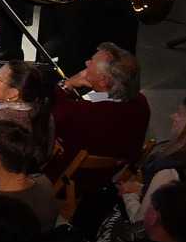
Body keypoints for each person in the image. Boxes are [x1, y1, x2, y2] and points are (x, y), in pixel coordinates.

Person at [52, 41, 151, 181]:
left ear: (103, 81)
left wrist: (66, 85)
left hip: (75, 180)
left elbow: (50, 114)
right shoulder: (141, 103)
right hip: (110, 175)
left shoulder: (84, 113)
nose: (86, 63)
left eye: (91, 62)